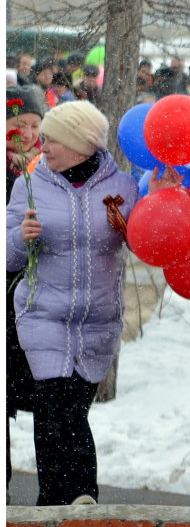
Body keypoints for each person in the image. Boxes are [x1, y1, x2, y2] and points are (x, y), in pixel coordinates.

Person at [5, 101, 138, 505]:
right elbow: (6, 256)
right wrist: (18, 237)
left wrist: (155, 204)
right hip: (42, 316)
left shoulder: (123, 189)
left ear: (81, 145)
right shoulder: (30, 185)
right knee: (52, 410)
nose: (42, 146)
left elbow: (145, 242)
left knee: (72, 411)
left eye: (52, 140)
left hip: (97, 321)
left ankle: (72, 504)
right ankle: (70, 498)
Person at [5, 87, 44, 496]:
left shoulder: (40, 168)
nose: (28, 134)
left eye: (35, 126)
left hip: (26, 297)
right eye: (18, 126)